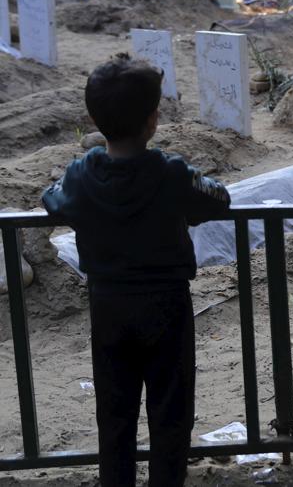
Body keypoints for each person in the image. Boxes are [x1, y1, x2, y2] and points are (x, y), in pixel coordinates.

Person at [42, 54, 231, 487]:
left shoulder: (81, 174)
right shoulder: (171, 173)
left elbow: (52, 199)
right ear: (152, 120)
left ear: (94, 119)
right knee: (171, 413)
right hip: (167, 305)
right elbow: (218, 198)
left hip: (108, 305)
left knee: (114, 414)